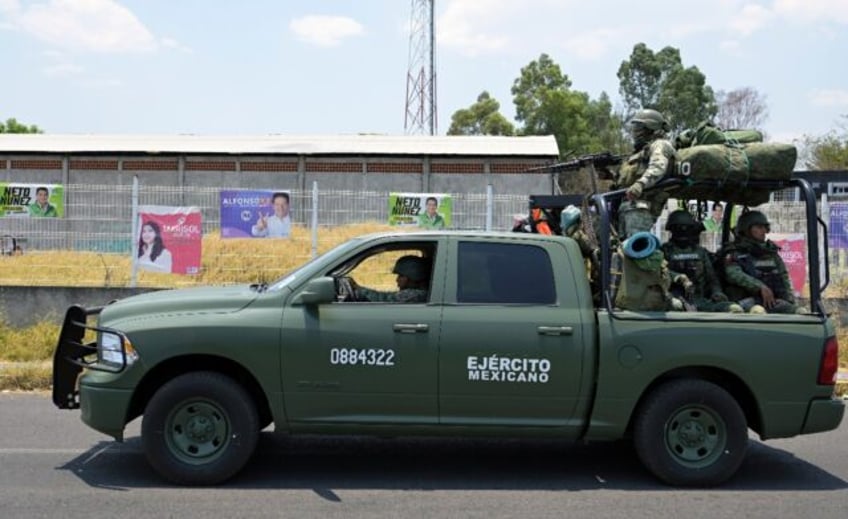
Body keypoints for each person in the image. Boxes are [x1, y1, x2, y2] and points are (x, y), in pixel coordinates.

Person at [661, 210, 742, 312]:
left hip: (699, 299)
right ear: (672, 229)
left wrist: (717, 292)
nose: (683, 230)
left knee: (731, 308)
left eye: (687, 227)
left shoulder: (700, 252)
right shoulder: (664, 251)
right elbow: (660, 272)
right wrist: (678, 278)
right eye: (680, 227)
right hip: (674, 300)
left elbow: (711, 278)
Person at [614, 109, 676, 238]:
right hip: (627, 207)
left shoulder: (660, 144)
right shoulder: (639, 152)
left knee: (635, 249)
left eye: (639, 128)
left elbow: (658, 167)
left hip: (641, 208)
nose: (635, 132)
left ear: (650, 128)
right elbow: (629, 178)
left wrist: (640, 184)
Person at [721, 210, 797, 314]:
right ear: (747, 230)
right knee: (757, 311)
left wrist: (788, 298)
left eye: (765, 227)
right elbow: (733, 274)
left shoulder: (771, 253)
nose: (764, 231)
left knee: (797, 311)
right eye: (759, 227)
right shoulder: (735, 252)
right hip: (744, 303)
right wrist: (760, 287)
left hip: (772, 302)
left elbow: (783, 277)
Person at [351, 255, 430, 303]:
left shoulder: (414, 295)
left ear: (413, 276)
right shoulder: (422, 293)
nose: (397, 280)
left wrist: (358, 288)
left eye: (401, 276)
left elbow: (383, 299)